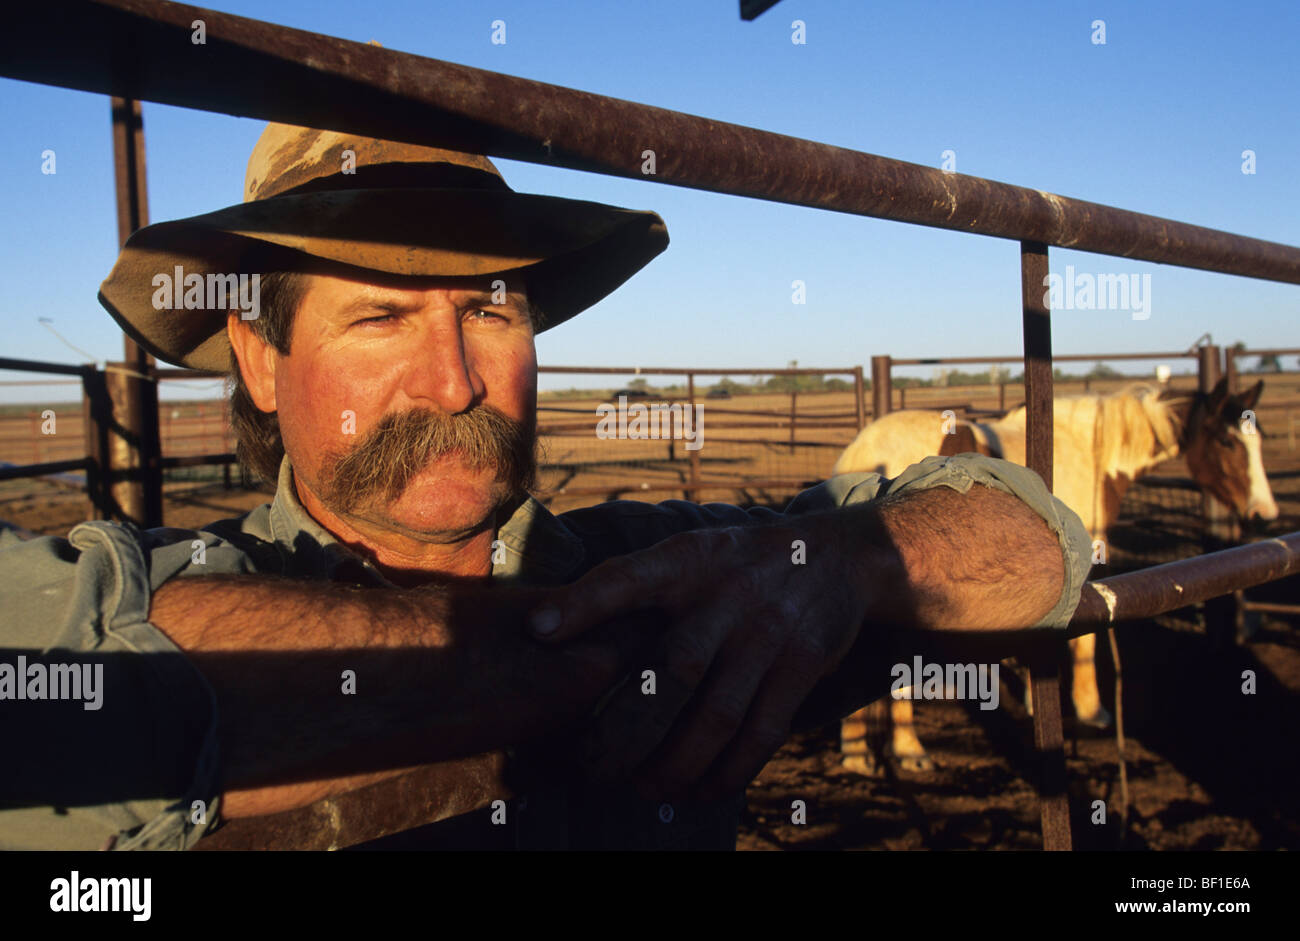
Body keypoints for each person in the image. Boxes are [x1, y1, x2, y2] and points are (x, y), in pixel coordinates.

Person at [0, 122, 1091, 850]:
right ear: (257, 355)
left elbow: (1036, 538)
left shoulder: (668, 559)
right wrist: (619, 661)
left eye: (490, 308)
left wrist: (853, 560)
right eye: (380, 315)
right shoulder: (151, 586)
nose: (456, 380)